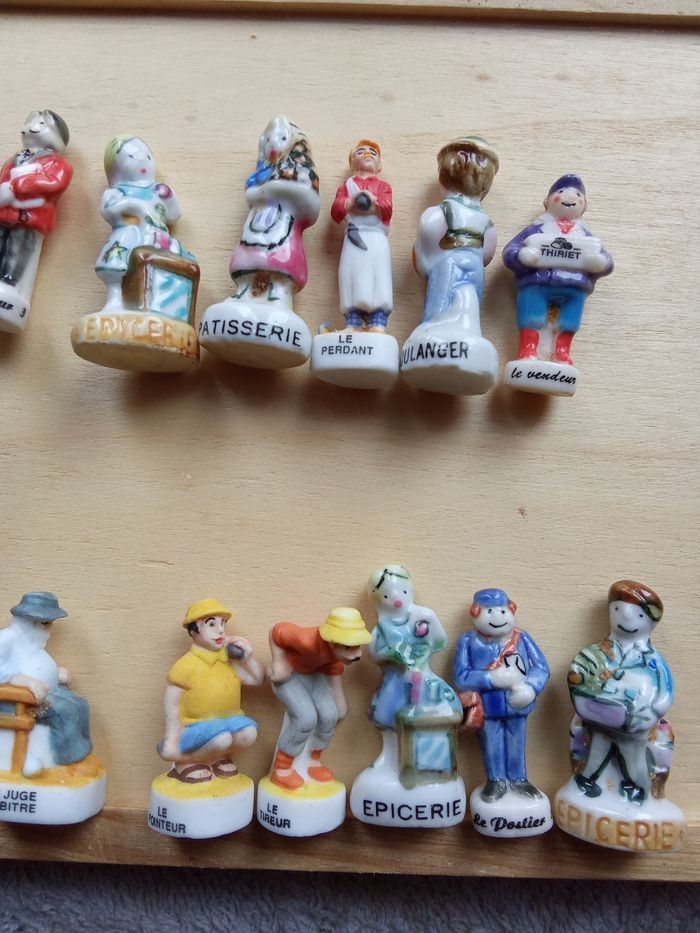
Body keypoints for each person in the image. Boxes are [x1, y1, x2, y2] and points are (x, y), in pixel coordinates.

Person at [567, 580, 672, 804]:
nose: (626, 620)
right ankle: (586, 781)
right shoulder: (595, 653)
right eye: (617, 610)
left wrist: (653, 712)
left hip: (636, 724)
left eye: (639, 616)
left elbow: (665, 692)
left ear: (651, 622)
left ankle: (639, 789)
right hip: (602, 717)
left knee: (633, 755)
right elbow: (578, 680)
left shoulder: (652, 660)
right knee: (598, 746)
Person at [502, 174, 613, 363]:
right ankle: (528, 351)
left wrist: (600, 263)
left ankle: (561, 353)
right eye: (561, 192)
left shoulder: (585, 236)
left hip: (574, 285)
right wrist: (522, 256)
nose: (570, 198)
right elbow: (509, 252)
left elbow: (607, 262)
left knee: (570, 320)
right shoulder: (537, 230)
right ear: (547, 201)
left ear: (584, 205)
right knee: (531, 315)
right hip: (539, 281)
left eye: (578, 195)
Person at [453, 588, 550, 802]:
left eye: (502, 611)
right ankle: (495, 780)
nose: (497, 617)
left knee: (517, 740)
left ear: (511, 611)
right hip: (489, 706)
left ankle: (519, 779)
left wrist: (531, 688)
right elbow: (461, 677)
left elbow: (541, 668)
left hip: (517, 704)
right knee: (492, 742)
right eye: (489, 612)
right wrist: (491, 679)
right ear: (475, 613)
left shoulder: (522, 638)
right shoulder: (468, 641)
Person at [159, 599, 263, 784]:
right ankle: (187, 762)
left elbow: (257, 679)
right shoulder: (186, 665)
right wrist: (171, 739)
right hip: (195, 726)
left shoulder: (227, 660)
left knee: (248, 733)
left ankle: (218, 758)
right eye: (212, 625)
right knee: (221, 738)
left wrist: (248, 658)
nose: (220, 630)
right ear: (193, 632)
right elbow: (172, 703)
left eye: (223, 624)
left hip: (228, 721)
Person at [267, 608, 371, 790]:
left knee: (330, 715)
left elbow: (333, 671)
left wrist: (339, 700)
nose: (357, 654)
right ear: (333, 642)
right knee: (306, 719)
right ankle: (282, 769)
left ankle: (312, 761)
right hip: (289, 676)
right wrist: (279, 661)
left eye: (358, 646)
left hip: (314, 677)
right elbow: (276, 632)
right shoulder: (306, 640)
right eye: (349, 647)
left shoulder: (336, 654)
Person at [0, 592, 93, 777]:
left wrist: (55, 673)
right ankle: (67, 760)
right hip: (18, 702)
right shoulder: (6, 638)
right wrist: (27, 682)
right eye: (45, 623)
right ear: (29, 620)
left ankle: (81, 754)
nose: (49, 629)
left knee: (80, 704)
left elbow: (33, 664)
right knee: (66, 711)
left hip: (46, 693)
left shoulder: (30, 641)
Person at [413, 135, 498, 329]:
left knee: (439, 304)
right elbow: (488, 252)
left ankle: (434, 328)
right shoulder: (485, 220)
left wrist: (425, 264)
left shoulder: (439, 211)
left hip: (447, 263)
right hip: (475, 264)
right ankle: (467, 329)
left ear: (443, 178)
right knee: (472, 302)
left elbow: (427, 233)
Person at [0, 110, 72, 289]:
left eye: (41, 124)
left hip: (29, 218)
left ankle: (10, 282)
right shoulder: (13, 159)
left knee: (19, 248)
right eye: (31, 122)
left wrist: (17, 186)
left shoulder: (56, 162)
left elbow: (54, 183)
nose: (32, 127)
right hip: (4, 212)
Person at [330, 139, 393, 332]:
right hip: (353, 236)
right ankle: (353, 322)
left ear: (379, 164)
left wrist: (373, 201)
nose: (367, 154)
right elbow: (336, 212)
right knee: (351, 275)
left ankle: (377, 321)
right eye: (360, 152)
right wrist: (351, 202)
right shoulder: (346, 187)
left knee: (378, 277)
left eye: (373, 153)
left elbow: (387, 209)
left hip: (376, 237)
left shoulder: (383, 186)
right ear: (352, 162)